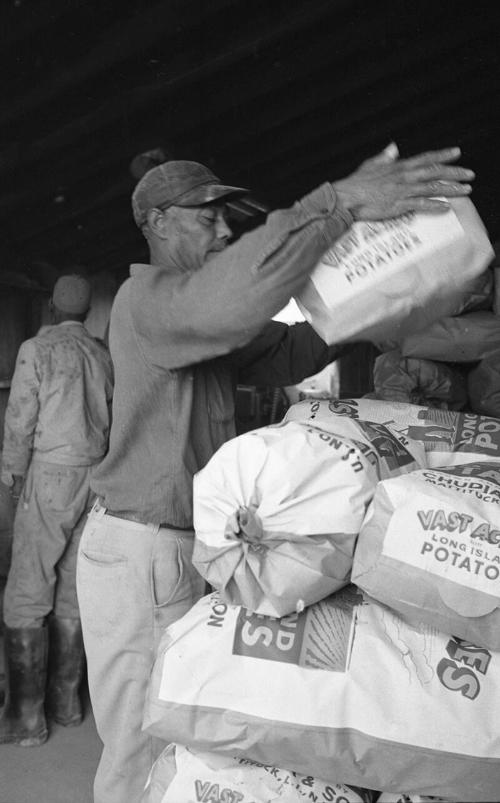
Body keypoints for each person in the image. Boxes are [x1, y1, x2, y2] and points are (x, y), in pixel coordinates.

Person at [76, 147, 475, 803]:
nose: (225, 228)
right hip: (140, 547)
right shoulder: (149, 301)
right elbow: (235, 299)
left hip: (171, 546)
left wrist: (378, 300)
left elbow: (291, 348)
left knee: (177, 725)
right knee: (140, 740)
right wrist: (337, 203)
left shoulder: (192, 321)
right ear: (160, 220)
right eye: (209, 217)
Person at [0, 274, 114, 747]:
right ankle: (66, 704)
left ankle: (26, 717)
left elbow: (21, 415)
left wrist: (13, 475)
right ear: (87, 313)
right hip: (95, 478)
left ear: (51, 306)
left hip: (51, 474)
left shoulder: (37, 349)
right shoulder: (103, 354)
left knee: (28, 585)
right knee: (72, 586)